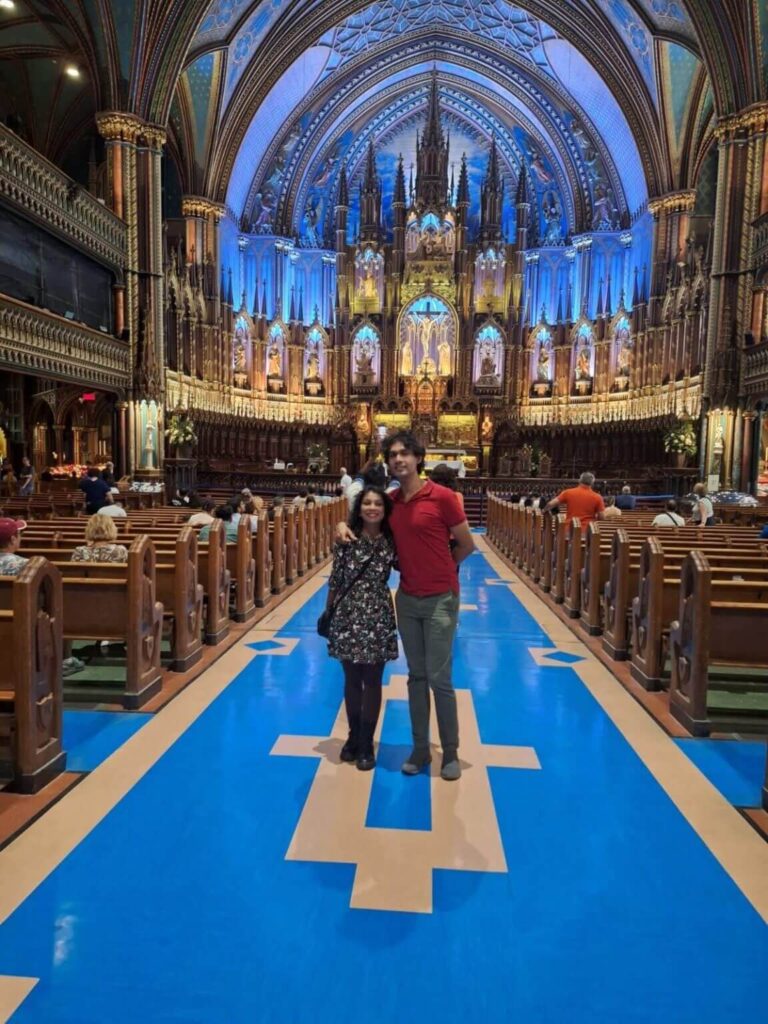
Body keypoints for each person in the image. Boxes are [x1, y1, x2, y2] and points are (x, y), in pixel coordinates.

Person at [337, 431, 474, 780]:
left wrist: (444, 569)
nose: (399, 459)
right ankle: (420, 749)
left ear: (418, 458)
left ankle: (451, 752)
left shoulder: (442, 497)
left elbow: (466, 544)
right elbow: (366, 525)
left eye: (405, 454)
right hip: (408, 598)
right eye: (393, 454)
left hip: (442, 596)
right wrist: (340, 523)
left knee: (440, 678)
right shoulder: (393, 501)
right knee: (416, 676)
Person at [325, 486, 398, 771]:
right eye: (366, 502)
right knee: (352, 678)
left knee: (373, 679)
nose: (371, 507)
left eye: (377, 503)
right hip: (348, 611)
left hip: (378, 611)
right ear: (359, 507)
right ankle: (353, 736)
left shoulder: (392, 539)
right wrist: (328, 612)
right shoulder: (346, 538)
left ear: (385, 508)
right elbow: (336, 577)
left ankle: (368, 740)